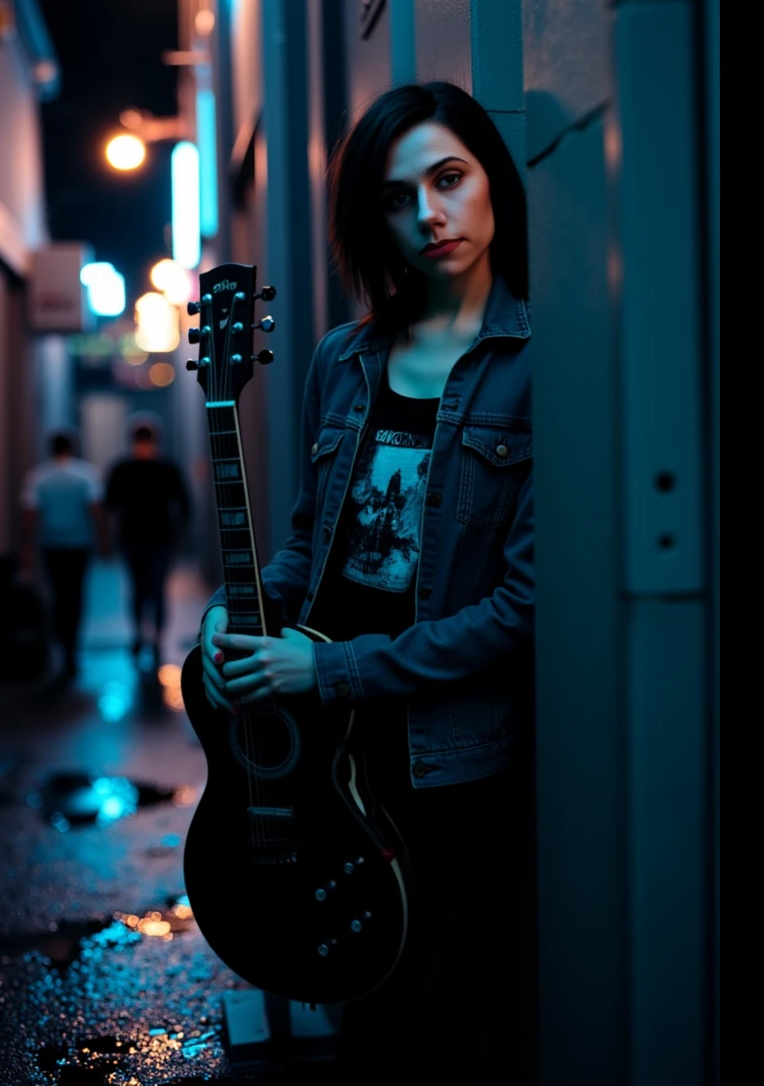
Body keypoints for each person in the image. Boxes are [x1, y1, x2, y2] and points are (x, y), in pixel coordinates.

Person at [198, 80, 535, 1082]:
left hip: (447, 756)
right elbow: (310, 547)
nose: (428, 217)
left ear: (490, 183)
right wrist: (234, 614)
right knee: (354, 999)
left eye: (448, 179)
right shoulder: (341, 361)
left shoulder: (533, 365)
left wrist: (331, 670)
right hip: (324, 753)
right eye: (397, 197)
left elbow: (518, 610)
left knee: (430, 1013)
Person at [20, 428, 110, 682]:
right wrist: (105, 542)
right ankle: (72, 649)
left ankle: (61, 645)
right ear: (71, 447)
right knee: (76, 595)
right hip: (79, 546)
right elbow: (96, 512)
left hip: (51, 546)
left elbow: (29, 517)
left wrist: (26, 549)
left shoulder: (38, 477)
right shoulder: (86, 475)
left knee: (57, 594)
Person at [104, 418, 193, 665]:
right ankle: (156, 639)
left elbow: (110, 504)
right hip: (161, 537)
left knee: (137, 589)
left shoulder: (122, 468)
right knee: (157, 589)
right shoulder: (166, 467)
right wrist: (180, 534)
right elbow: (184, 503)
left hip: (131, 537)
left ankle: (138, 635)